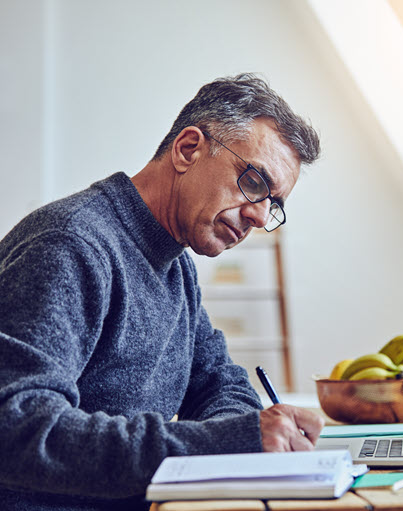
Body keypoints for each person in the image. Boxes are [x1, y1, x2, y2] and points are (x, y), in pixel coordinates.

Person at [0, 73, 324, 510]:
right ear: (188, 149)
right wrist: (223, 443)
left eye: (274, 205)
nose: (258, 216)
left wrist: (235, 439)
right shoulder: (70, 245)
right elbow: (16, 428)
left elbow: (220, 385)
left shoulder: (176, 266)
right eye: (253, 182)